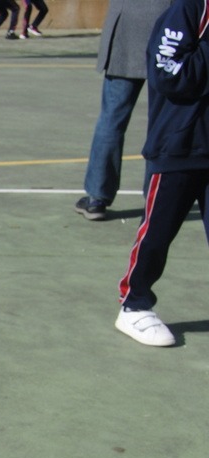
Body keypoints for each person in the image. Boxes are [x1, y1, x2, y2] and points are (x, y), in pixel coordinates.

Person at [114, 0, 209, 348]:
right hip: (178, 146)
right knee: (157, 233)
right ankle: (134, 304)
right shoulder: (189, 9)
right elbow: (171, 75)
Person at [75, 0, 172, 221]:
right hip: (167, 24)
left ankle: (97, 198)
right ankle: (156, 197)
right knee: (163, 122)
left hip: (128, 26)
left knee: (111, 119)